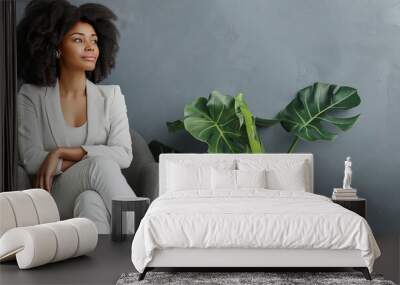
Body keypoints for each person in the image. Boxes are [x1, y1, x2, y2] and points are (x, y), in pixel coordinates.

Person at [17, 0, 136, 233]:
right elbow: (31, 159)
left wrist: (61, 153)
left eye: (94, 40)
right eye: (78, 40)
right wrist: (90, 159)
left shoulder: (111, 96)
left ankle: (107, 267)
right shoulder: (31, 95)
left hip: (93, 193)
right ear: (56, 47)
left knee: (90, 201)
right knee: (99, 165)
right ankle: (146, 235)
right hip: (53, 196)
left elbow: (124, 155)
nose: (90, 47)